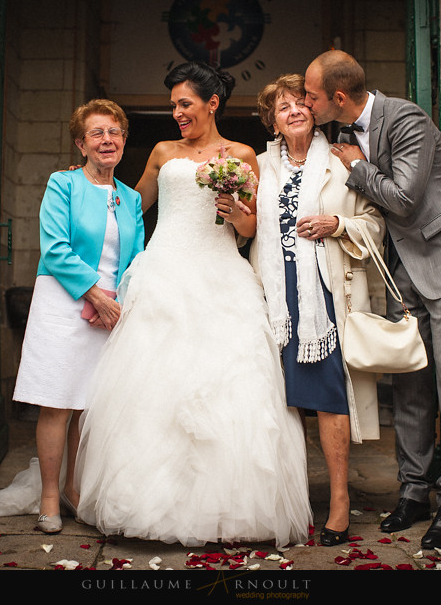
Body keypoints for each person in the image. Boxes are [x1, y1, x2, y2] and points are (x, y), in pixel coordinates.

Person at [74, 62, 312, 548]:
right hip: (164, 270)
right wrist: (84, 181)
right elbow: (128, 205)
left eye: (184, 104)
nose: (177, 113)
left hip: (221, 272)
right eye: (173, 106)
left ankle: (228, 507)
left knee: (229, 387)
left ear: (212, 103)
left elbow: (249, 230)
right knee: (152, 385)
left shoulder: (243, 154)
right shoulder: (163, 152)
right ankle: (144, 500)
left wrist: (235, 212)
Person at [303, 50, 441, 549]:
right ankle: (413, 492)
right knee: (408, 384)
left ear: (338, 98)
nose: (306, 101)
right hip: (401, 271)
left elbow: (404, 198)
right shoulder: (337, 133)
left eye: (311, 95)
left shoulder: (406, 117)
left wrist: (360, 167)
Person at [0, 99, 144, 533]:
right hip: (64, 302)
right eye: (97, 133)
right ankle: (50, 498)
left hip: (110, 311)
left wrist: (117, 300)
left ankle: (75, 491)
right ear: (81, 144)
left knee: (90, 406)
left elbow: (137, 259)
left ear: (124, 141)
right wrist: (95, 295)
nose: (107, 140)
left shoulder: (131, 199)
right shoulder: (63, 184)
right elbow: (55, 247)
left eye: (114, 132)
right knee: (58, 403)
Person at [249, 74, 385, 547]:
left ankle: (340, 501)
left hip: (323, 295)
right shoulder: (258, 165)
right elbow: (246, 228)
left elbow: (375, 223)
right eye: (282, 106)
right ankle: (288, 498)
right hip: (272, 297)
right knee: (278, 400)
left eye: (301, 102)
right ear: (272, 121)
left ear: (315, 108)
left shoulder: (344, 160)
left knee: (328, 396)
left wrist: (337, 223)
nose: (294, 111)